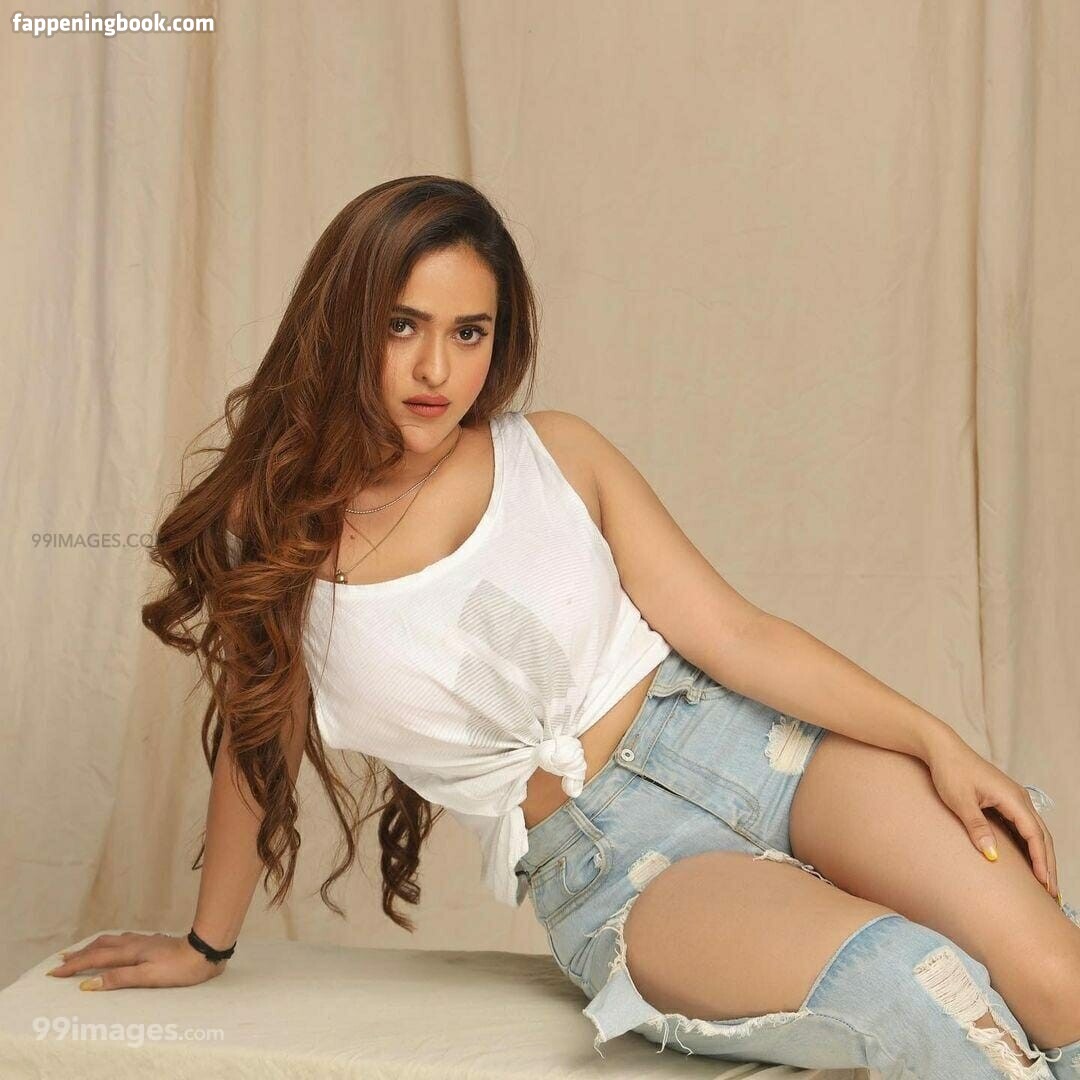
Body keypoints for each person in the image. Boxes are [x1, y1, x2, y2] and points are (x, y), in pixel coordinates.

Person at [47, 176, 1080, 1078]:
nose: (436, 369)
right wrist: (206, 944)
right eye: (402, 325)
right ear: (343, 323)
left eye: (469, 332)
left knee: (1057, 980)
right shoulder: (274, 544)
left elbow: (737, 635)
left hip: (756, 744)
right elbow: (253, 748)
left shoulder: (557, 454)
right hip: (612, 862)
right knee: (913, 983)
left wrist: (936, 742)